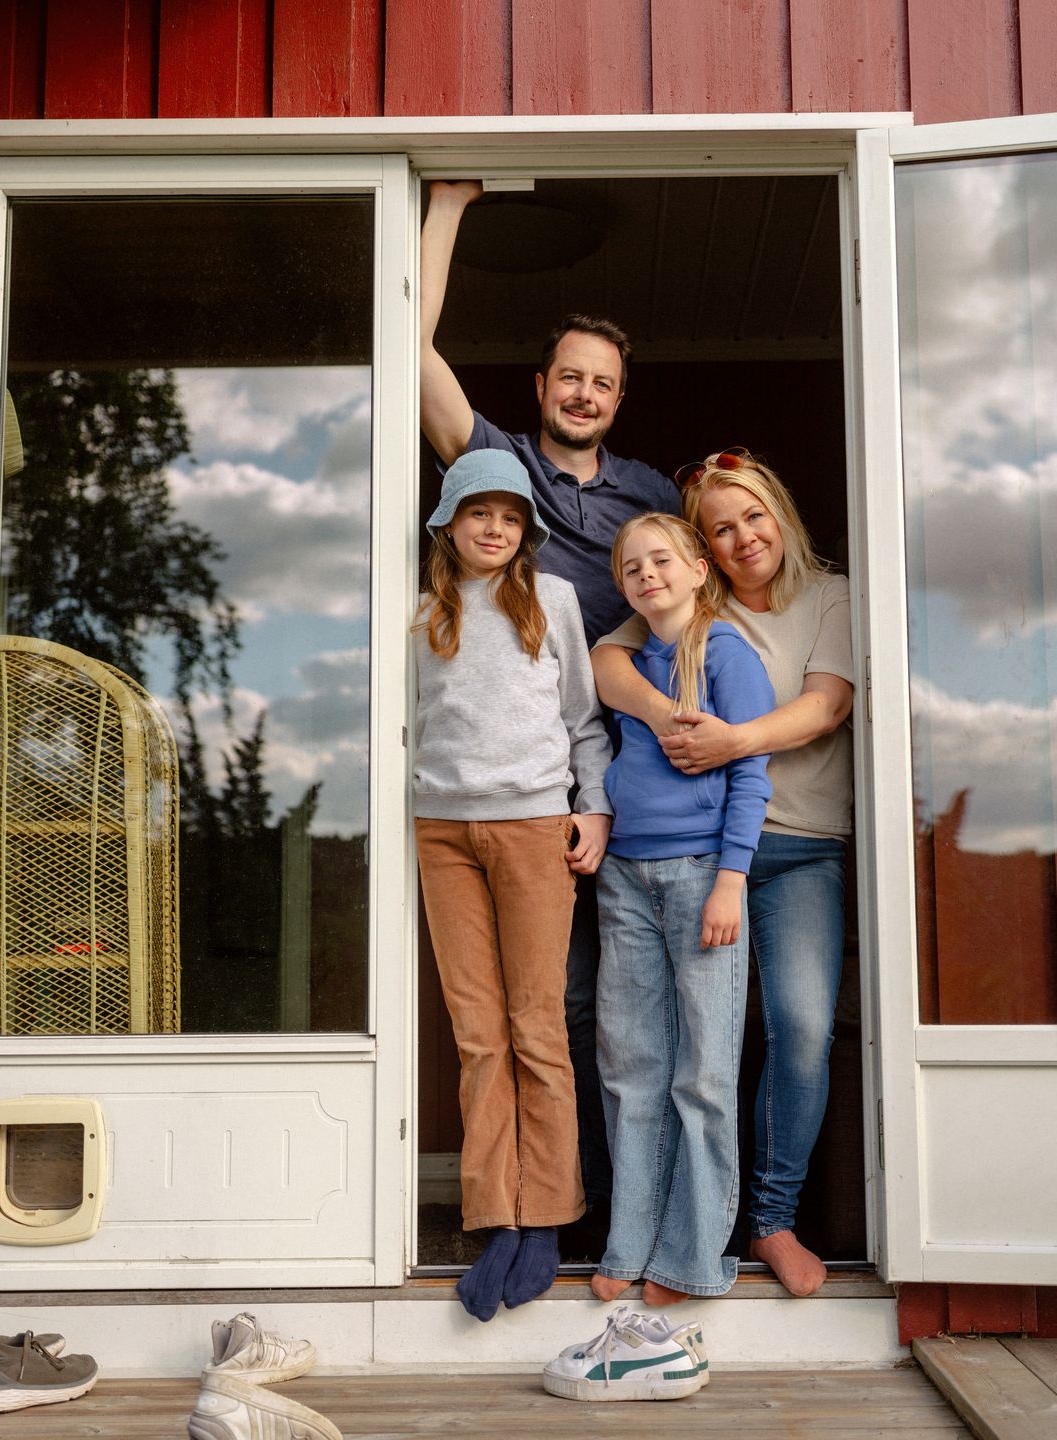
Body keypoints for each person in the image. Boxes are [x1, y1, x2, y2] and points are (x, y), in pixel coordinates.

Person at [420, 179, 681, 1227]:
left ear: (620, 399)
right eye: (569, 377)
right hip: (529, 789)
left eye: (602, 384)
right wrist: (449, 206)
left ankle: (634, 1209)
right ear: (540, 385)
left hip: (647, 771)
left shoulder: (652, 498)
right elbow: (409, 346)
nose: (583, 394)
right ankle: (548, 1215)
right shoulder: (498, 468)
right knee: (551, 1007)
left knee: (638, 1011)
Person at [591, 451, 855, 1297]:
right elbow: (605, 664)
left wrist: (728, 741)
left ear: (780, 513)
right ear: (704, 551)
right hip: (689, 853)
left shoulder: (831, 598)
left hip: (796, 842)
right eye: (721, 527)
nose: (744, 538)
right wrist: (673, 719)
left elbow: (828, 706)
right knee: (663, 1051)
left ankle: (769, 1220)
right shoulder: (680, 608)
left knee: (800, 1028)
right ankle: (656, 1236)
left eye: (754, 517)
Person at [412, 449, 614, 1322]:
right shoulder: (420, 615)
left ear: (525, 529)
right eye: (476, 513)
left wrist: (593, 808)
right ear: (448, 525)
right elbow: (405, 726)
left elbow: (583, 722)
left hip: (535, 825)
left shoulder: (553, 603)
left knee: (537, 1022)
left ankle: (548, 1217)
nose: (492, 528)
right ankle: (498, 1214)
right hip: (441, 831)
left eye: (507, 515)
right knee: (477, 1031)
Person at [588, 512, 773, 1310]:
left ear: (701, 570)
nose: (647, 575)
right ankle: (629, 1242)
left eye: (662, 560)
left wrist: (732, 879)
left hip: (701, 876)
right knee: (631, 1065)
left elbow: (751, 774)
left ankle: (691, 1258)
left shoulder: (725, 653)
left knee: (702, 1073)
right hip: (625, 877)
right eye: (632, 568)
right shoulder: (630, 661)